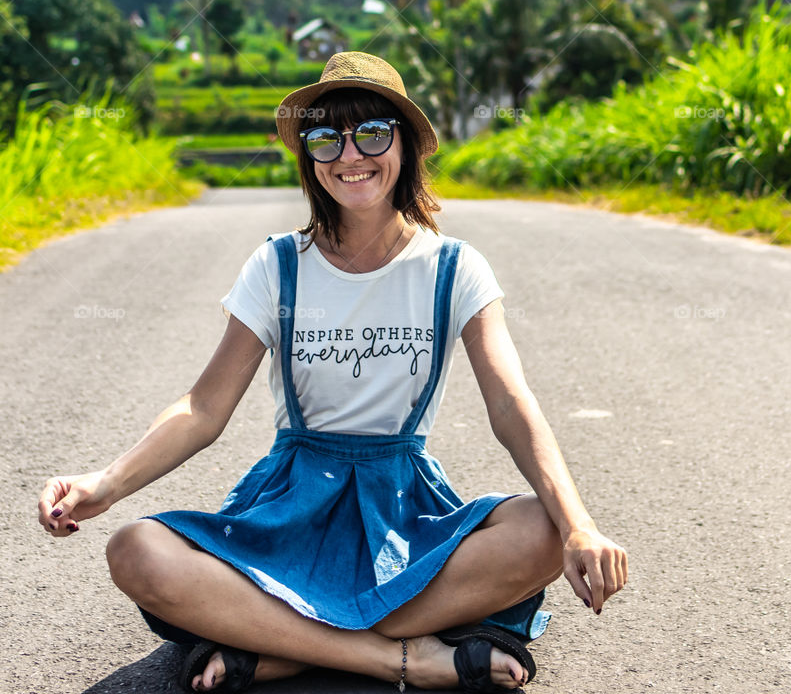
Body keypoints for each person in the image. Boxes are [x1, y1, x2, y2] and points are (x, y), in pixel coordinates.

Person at [38, 52, 628, 693]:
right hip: (292, 506)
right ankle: (397, 657)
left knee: (542, 530)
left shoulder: (454, 267)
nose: (351, 154)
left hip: (402, 506)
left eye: (372, 132)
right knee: (135, 550)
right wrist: (106, 482)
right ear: (310, 157)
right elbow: (204, 409)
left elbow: (512, 403)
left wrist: (578, 526)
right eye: (327, 137)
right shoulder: (278, 265)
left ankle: (278, 645)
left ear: (403, 145)